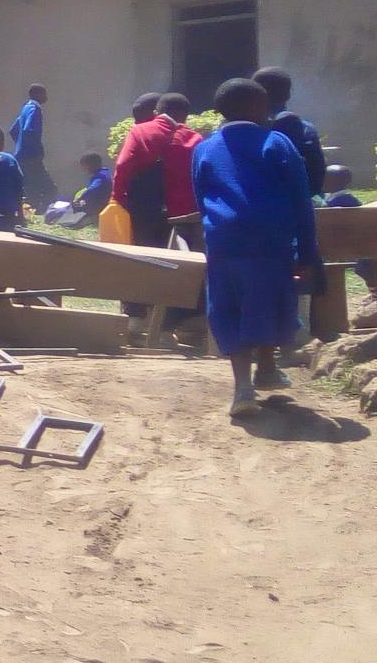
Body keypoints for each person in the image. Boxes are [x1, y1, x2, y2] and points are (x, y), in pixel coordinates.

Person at [192, 78, 322, 417]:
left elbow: (201, 200)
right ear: (256, 108)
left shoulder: (204, 149)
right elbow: (300, 201)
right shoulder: (276, 143)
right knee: (266, 301)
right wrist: (307, 253)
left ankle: (245, 387)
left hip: (224, 242)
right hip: (270, 242)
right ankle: (264, 369)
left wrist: (213, 236)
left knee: (231, 306)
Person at [112, 92, 200, 250]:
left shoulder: (140, 131)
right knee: (183, 260)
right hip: (186, 213)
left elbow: (123, 164)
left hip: (147, 208)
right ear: (187, 116)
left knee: (149, 256)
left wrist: (117, 197)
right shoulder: (196, 138)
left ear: (156, 113)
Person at [254, 67, 325, 193]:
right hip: (298, 205)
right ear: (288, 95)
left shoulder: (246, 130)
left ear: (254, 94)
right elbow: (317, 178)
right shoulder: (306, 129)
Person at [46, 152, 112, 226]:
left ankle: (56, 218)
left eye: (84, 166)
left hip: (96, 206)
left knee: (66, 208)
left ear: (91, 165)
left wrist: (80, 198)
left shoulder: (100, 176)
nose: (84, 169)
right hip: (102, 204)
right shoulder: (106, 172)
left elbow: (92, 189)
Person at [11, 84, 52, 204]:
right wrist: (36, 149)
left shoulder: (25, 109)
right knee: (46, 186)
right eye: (44, 93)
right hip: (31, 155)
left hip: (22, 154)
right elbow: (29, 129)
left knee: (30, 183)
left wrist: (20, 145)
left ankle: (32, 208)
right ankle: (46, 210)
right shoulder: (35, 109)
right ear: (37, 94)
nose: (46, 97)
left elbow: (13, 130)